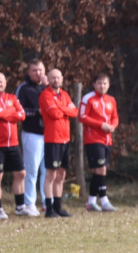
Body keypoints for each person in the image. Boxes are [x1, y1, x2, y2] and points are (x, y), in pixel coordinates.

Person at [0, 72, 30, 219]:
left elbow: (22, 115)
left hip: (13, 143)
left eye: (1, 82)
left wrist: (8, 113)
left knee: (21, 173)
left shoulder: (12, 98)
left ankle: (20, 207)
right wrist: (12, 112)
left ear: (5, 83)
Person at [38, 68, 79, 218]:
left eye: (58, 77)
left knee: (61, 175)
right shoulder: (45, 95)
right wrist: (65, 109)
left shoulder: (65, 94)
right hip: (53, 139)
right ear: (48, 79)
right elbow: (54, 114)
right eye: (53, 78)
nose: (56, 80)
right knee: (51, 174)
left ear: (62, 79)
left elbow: (75, 112)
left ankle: (58, 207)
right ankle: (49, 208)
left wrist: (62, 108)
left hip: (65, 138)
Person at [78, 73, 119, 212]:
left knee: (99, 170)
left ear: (109, 85)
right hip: (93, 139)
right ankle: (104, 200)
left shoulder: (111, 100)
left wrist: (113, 126)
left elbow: (115, 117)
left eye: (105, 83)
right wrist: (101, 125)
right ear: (94, 84)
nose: (102, 86)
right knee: (101, 169)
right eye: (100, 83)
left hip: (107, 139)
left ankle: (91, 201)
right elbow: (82, 117)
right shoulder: (88, 98)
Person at [15, 59, 48, 214]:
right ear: (29, 72)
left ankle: (47, 202)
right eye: (34, 70)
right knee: (32, 170)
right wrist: (36, 112)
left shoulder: (49, 87)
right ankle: (30, 203)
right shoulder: (24, 88)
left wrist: (48, 86)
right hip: (32, 134)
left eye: (40, 70)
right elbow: (18, 111)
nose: (38, 73)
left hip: (50, 134)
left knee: (48, 170)